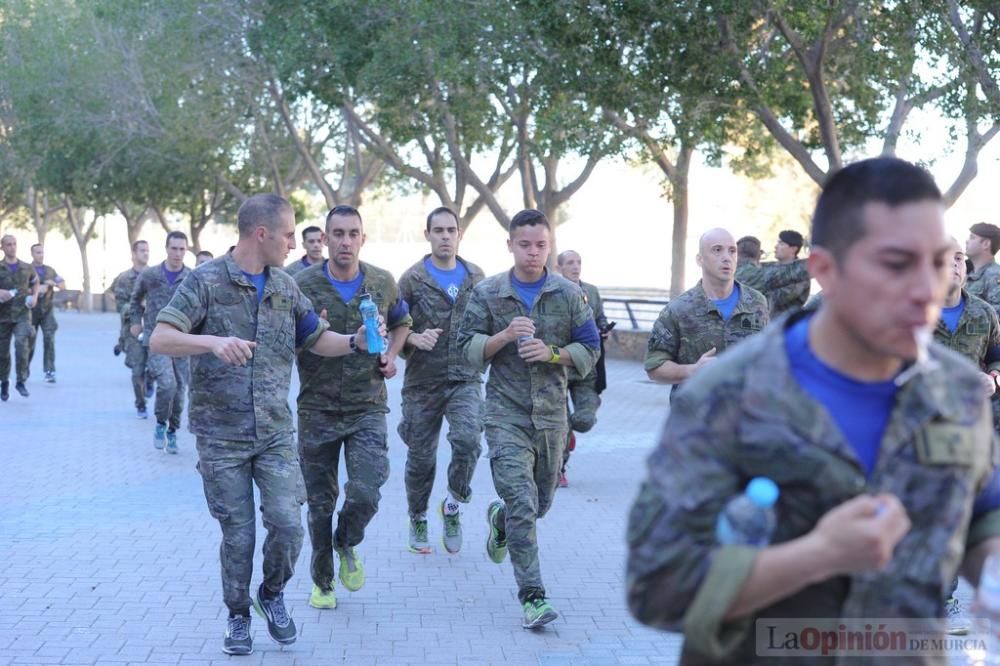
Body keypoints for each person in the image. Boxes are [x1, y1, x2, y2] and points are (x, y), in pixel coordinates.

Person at [626, 157, 1000, 665]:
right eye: (895, 263)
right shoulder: (727, 395)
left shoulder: (954, 391)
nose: (924, 289)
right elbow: (656, 585)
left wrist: (993, 574)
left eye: (937, 262)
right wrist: (818, 555)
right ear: (826, 270)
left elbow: (981, 512)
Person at [150, 193, 379, 655]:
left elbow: (316, 338)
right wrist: (212, 342)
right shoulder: (206, 281)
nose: (297, 243)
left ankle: (270, 595)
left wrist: (353, 341)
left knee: (288, 526)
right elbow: (161, 337)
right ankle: (237, 615)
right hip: (221, 436)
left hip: (275, 432)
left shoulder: (285, 286)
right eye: (290, 234)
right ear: (262, 234)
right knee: (239, 535)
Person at [457, 209, 600, 629]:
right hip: (505, 414)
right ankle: (533, 596)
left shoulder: (569, 294)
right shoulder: (488, 293)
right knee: (522, 502)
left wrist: (553, 353)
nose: (533, 252)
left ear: (549, 246)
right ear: (510, 245)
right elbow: (465, 350)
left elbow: (590, 351)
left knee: (538, 503)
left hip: (553, 416)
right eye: (525, 244)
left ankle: (500, 519)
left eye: (541, 245)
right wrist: (502, 336)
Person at [293, 205, 411, 610]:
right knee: (320, 505)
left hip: (367, 406)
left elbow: (402, 321)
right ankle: (322, 582)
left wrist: (392, 356)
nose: (346, 241)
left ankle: (346, 542)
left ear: (363, 238)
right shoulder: (300, 284)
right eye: (337, 234)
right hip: (317, 409)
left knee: (366, 490)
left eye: (353, 233)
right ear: (324, 240)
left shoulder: (381, 281)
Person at [397, 206, 485, 555]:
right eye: (438, 230)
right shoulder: (411, 279)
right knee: (421, 457)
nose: (445, 236)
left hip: (465, 378)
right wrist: (412, 339)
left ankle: (452, 504)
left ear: (459, 234)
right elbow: (393, 327)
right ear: (428, 235)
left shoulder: (476, 277)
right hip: (423, 381)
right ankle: (417, 515)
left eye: (451, 230)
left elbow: (489, 322)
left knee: (467, 440)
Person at [932, 237, 1000, 635]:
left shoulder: (984, 312)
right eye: (947, 258)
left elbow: (996, 354)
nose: (956, 264)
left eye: (960, 257)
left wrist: (994, 378)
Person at [646, 228, 769, 402]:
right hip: (696, 420)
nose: (726, 257)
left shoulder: (757, 302)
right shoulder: (679, 309)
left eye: (732, 251)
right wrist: (691, 371)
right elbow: (654, 366)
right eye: (717, 250)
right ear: (700, 259)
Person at [130, 231, 192, 453]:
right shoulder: (151, 275)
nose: (177, 253)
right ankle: (159, 423)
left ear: (186, 250)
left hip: (183, 340)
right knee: (168, 384)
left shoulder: (191, 277)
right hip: (156, 339)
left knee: (180, 389)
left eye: (181, 249)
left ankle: (172, 431)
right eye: (174, 248)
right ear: (166, 248)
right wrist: (135, 322)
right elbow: (135, 300)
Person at [556, 249, 610, 487]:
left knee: (583, 421)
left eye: (578, 262)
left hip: (586, 369)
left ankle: (574, 429)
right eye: (570, 263)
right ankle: (559, 470)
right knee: (560, 426)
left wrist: (604, 329)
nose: (576, 267)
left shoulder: (592, 291)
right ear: (559, 268)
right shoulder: (552, 292)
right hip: (558, 368)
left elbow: (599, 317)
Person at [112, 240, 151, 418]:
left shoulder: (155, 275)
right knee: (137, 370)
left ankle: (150, 382)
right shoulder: (124, 278)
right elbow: (120, 306)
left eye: (147, 250)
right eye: (142, 250)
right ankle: (140, 404)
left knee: (157, 368)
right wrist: (137, 306)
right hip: (134, 330)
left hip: (155, 329)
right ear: (134, 254)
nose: (145, 253)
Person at [0, 235, 39, 400]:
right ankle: (4, 382)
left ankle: (21, 381)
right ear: (2, 248)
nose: (12, 247)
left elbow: (35, 282)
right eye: (8, 245)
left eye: (14, 244)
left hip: (23, 314)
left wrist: (35, 296)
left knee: (21, 345)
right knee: (2, 353)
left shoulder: (26, 267)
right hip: (3, 316)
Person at [734, 235, 810, 316]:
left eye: (781, 243)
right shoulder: (763, 273)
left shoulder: (727, 271)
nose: (776, 247)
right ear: (758, 254)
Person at [27, 243, 64, 383]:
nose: (40, 255)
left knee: (49, 339)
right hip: (31, 312)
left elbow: (62, 284)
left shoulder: (50, 270)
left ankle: (49, 371)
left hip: (47, 311)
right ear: (32, 254)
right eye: (37, 252)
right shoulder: (26, 270)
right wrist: (36, 289)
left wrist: (52, 284)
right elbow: (21, 289)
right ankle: (24, 369)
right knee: (29, 342)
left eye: (42, 252)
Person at [771, 229, 811, 314]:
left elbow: (779, 298)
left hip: (785, 323)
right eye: (778, 243)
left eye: (781, 244)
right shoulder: (772, 267)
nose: (776, 246)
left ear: (793, 249)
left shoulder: (800, 273)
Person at [966, 222, 1000, 315]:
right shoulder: (967, 275)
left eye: (972, 238)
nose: (967, 241)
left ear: (986, 244)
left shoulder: (995, 275)